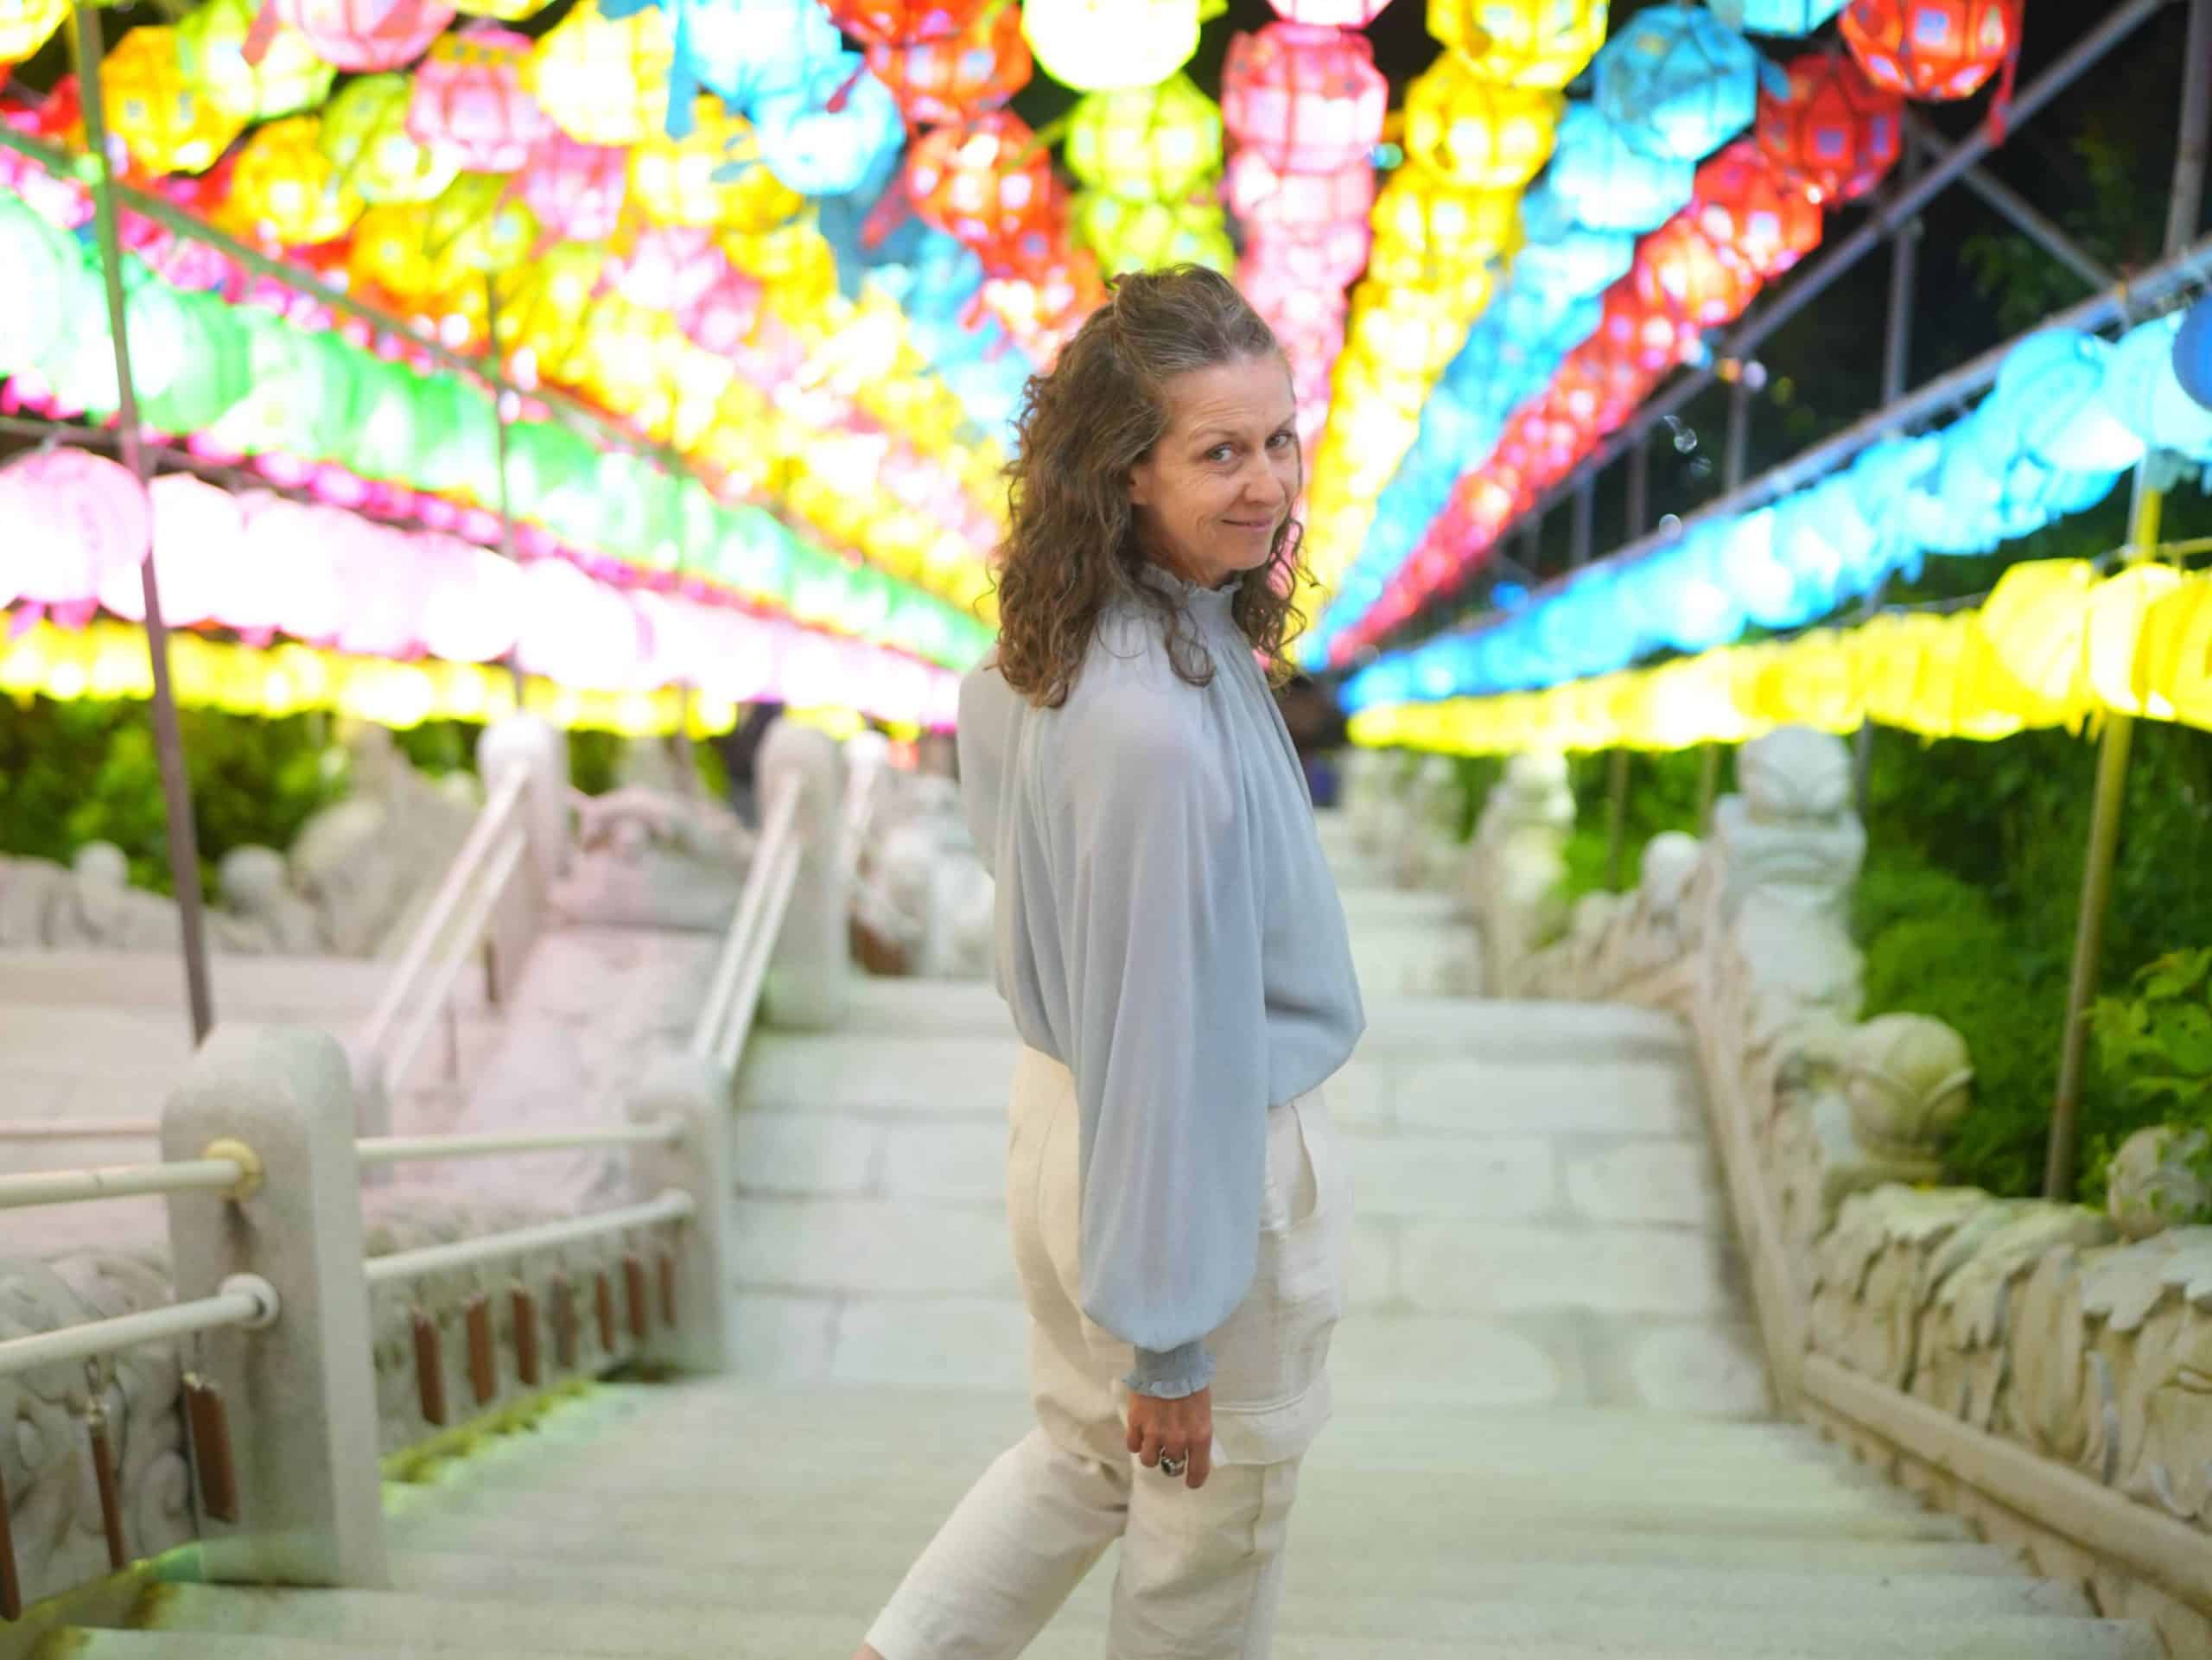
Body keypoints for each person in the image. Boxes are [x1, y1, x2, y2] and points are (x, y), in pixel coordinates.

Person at [855, 265, 1365, 1660]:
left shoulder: (1075, 643)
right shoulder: (1153, 719)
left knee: (1083, 1458)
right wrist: (1173, 1336)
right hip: (1188, 1169)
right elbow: (1163, 1031)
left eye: (1277, 440)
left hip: (1077, 1124)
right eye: (1219, 452)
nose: (1265, 483)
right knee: (1206, 1553)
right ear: (1127, 471)